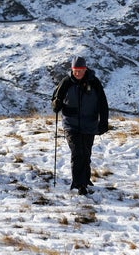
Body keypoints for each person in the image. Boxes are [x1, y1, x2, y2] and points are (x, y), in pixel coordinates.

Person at [51, 55, 109, 195]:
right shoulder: (65, 82)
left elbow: (103, 103)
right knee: (77, 152)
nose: (78, 73)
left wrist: (104, 122)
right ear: (72, 69)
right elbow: (54, 102)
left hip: (90, 124)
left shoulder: (94, 82)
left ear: (85, 69)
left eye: (81, 70)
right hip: (71, 125)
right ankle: (79, 183)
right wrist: (56, 104)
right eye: (76, 70)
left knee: (86, 153)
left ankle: (85, 179)